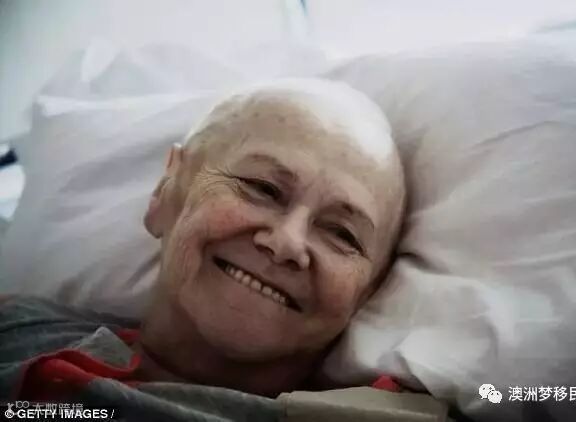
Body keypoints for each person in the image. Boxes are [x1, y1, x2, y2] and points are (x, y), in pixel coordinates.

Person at [0, 79, 448, 421]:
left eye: (342, 234)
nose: (287, 242)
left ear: (368, 291)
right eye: (262, 188)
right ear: (165, 192)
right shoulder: (17, 324)